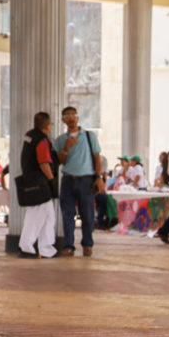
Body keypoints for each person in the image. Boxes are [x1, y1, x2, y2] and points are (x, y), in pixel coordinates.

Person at [56, 105, 102, 257]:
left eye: (73, 115)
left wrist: (99, 178)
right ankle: (69, 246)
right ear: (63, 120)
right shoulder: (60, 140)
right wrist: (66, 148)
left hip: (86, 180)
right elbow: (59, 160)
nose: (70, 118)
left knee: (87, 215)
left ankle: (87, 244)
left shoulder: (89, 136)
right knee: (67, 215)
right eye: (67, 116)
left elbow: (97, 158)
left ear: (77, 117)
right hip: (68, 180)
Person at [18, 112, 58, 258]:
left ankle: (46, 249)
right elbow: (44, 163)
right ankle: (26, 247)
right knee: (36, 216)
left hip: (30, 180)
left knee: (48, 216)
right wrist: (52, 180)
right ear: (47, 126)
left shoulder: (29, 136)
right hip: (40, 183)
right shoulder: (41, 140)